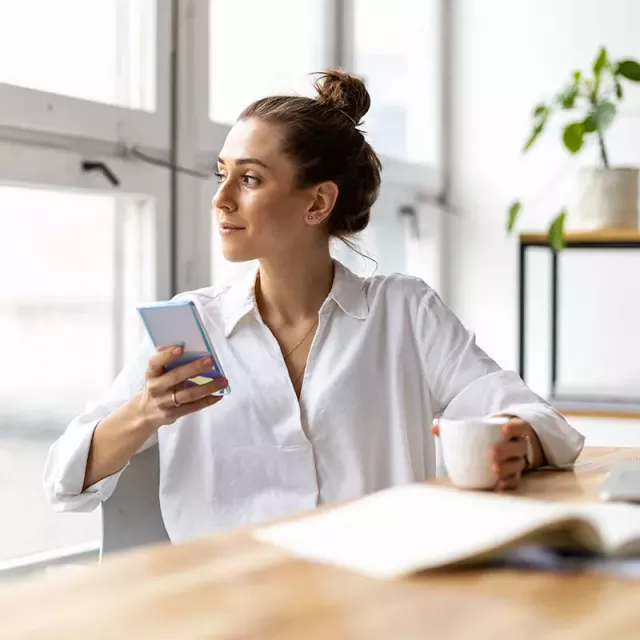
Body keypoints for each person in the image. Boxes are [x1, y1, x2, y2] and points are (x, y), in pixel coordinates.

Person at [44, 70, 584, 542]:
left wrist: (521, 443)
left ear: (318, 202)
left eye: (249, 178)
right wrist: (146, 411)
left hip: (378, 599)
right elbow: (65, 479)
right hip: (228, 609)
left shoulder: (404, 311)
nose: (221, 197)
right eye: (221, 173)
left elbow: (540, 420)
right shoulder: (193, 325)